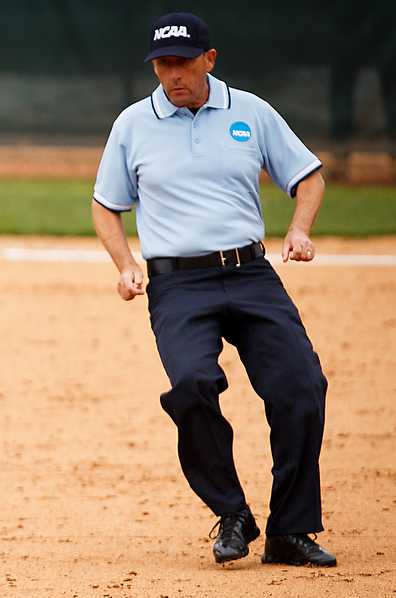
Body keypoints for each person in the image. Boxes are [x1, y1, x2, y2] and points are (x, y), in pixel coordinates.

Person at [91, 11, 336, 567]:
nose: (171, 74)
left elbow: (308, 176)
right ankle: (233, 513)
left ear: (209, 60)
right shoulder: (133, 124)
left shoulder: (250, 112)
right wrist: (126, 263)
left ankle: (290, 529)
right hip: (179, 284)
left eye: (181, 62)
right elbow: (106, 204)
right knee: (192, 386)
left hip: (251, 275)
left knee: (301, 387)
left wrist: (299, 228)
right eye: (162, 64)